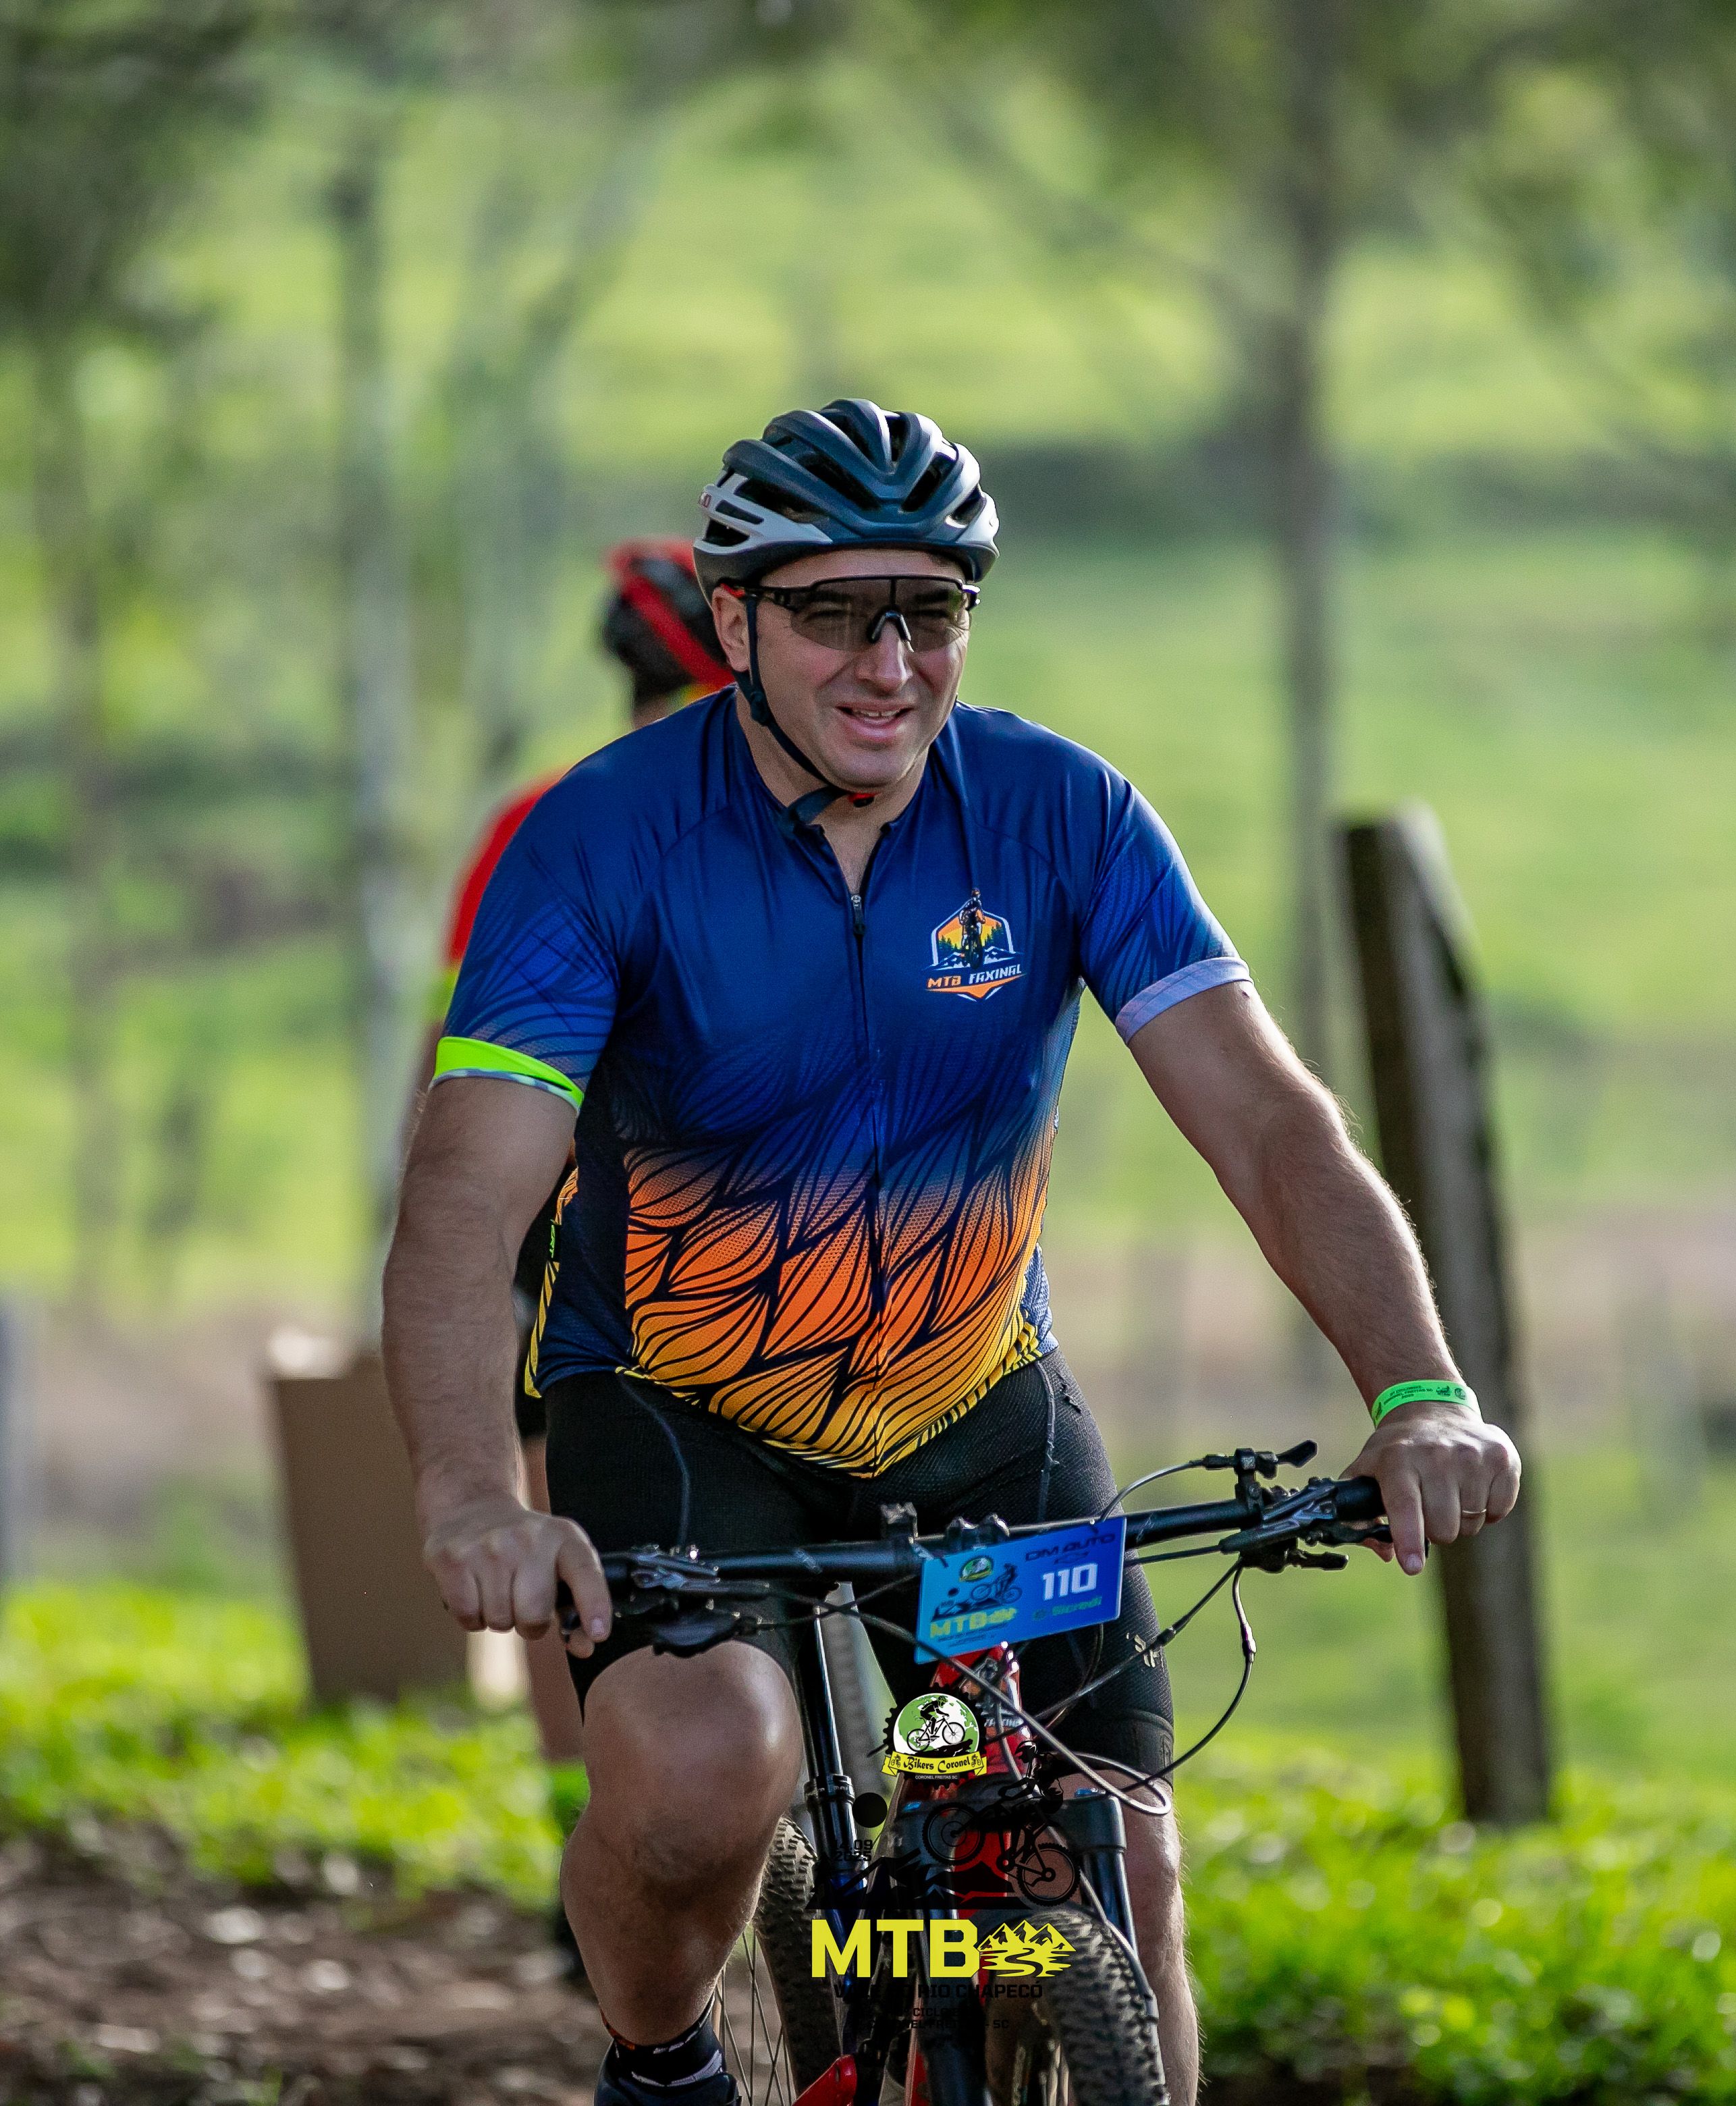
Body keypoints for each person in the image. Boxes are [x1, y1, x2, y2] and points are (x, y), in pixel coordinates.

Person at [383, 401, 1520, 2106]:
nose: (890, 662)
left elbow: (1274, 1129)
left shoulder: (1065, 813)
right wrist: (475, 1494)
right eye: (836, 612)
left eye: (931, 608)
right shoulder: (597, 839)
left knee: (1120, 1870)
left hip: (979, 1410)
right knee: (704, 1780)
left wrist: (1422, 1393)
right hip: (684, 1409)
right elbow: (467, 1201)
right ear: (736, 618)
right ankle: (661, 2061)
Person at [415, 538, 733, 1831]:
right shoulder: (791, 810)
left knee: (569, 1527)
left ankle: (584, 1818)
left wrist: (449, 1224)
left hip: (563, 1219)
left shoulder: (532, 819)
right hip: (754, 1218)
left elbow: (449, 1056)